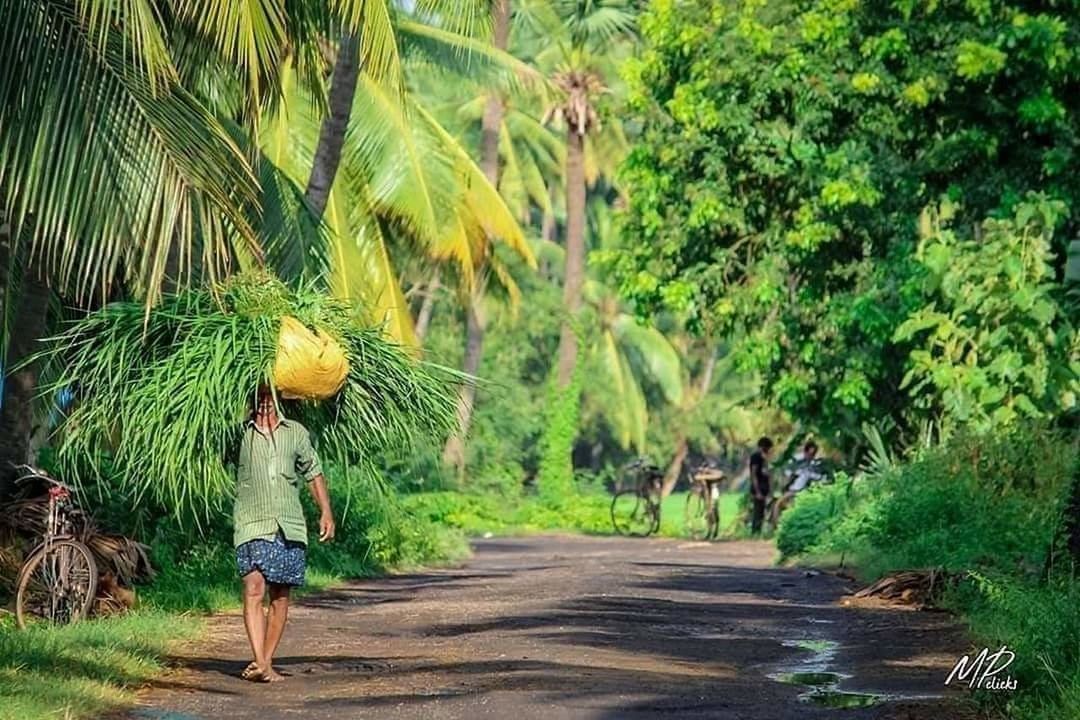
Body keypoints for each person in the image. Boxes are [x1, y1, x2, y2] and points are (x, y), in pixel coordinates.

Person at [233, 385, 335, 682]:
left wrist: (325, 511)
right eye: (260, 398)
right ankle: (260, 660)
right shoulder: (237, 435)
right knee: (253, 587)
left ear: (281, 400)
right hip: (251, 523)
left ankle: (265, 663)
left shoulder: (296, 433)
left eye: (270, 398)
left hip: (288, 524)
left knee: (279, 596)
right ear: (250, 402)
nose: (265, 404)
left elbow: (313, 472)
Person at [770, 441, 821, 527]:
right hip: (793, 488)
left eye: (813, 454)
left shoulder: (813, 463)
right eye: (810, 454)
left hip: (805, 490)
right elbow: (787, 472)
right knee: (779, 505)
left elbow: (816, 476)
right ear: (805, 451)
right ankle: (777, 525)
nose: (811, 456)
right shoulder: (796, 459)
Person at [748, 437, 773, 535]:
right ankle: (755, 531)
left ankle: (759, 531)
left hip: (764, 487)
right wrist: (757, 491)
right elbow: (753, 474)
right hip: (758, 487)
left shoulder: (765, 458)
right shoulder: (756, 457)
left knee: (762, 511)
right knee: (757, 511)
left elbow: (768, 473)